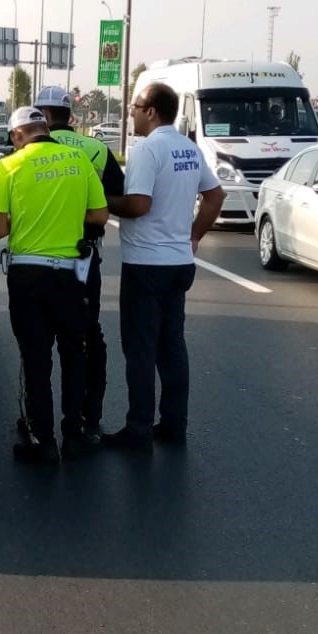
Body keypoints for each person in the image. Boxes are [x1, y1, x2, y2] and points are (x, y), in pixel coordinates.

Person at [104, 83, 225, 449]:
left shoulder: (147, 150)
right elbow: (215, 195)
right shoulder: (189, 148)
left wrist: (100, 202)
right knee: (172, 346)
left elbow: (138, 205)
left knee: (140, 349)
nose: (132, 114)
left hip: (145, 264)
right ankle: (174, 424)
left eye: (136, 107)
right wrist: (194, 236)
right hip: (178, 264)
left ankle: (139, 430)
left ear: (152, 111)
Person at [0, 105, 108, 462]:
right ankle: (73, 433)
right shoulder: (78, 159)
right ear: (45, 128)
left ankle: (42, 440)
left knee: (35, 356)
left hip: (27, 276)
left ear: (16, 136)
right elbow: (100, 215)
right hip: (70, 276)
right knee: (74, 353)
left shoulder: (9, 165)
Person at [34, 85, 125, 434]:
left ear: (42, 114)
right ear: (69, 115)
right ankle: (87, 419)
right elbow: (115, 200)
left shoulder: (29, 152)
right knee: (86, 337)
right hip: (84, 259)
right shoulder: (97, 149)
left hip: (38, 258)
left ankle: (36, 424)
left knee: (37, 344)